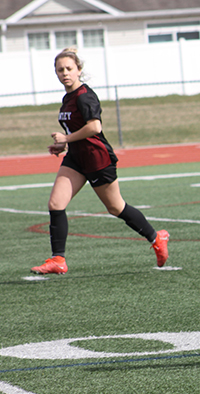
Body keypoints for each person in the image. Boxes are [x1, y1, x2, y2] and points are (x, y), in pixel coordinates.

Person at [31, 48, 169, 275]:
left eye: (69, 69)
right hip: (76, 159)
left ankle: (156, 238)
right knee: (56, 205)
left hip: (97, 159)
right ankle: (58, 260)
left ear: (79, 70)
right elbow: (77, 129)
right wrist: (64, 144)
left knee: (116, 207)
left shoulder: (85, 96)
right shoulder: (68, 98)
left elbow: (95, 127)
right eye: (60, 70)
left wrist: (66, 138)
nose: (64, 73)